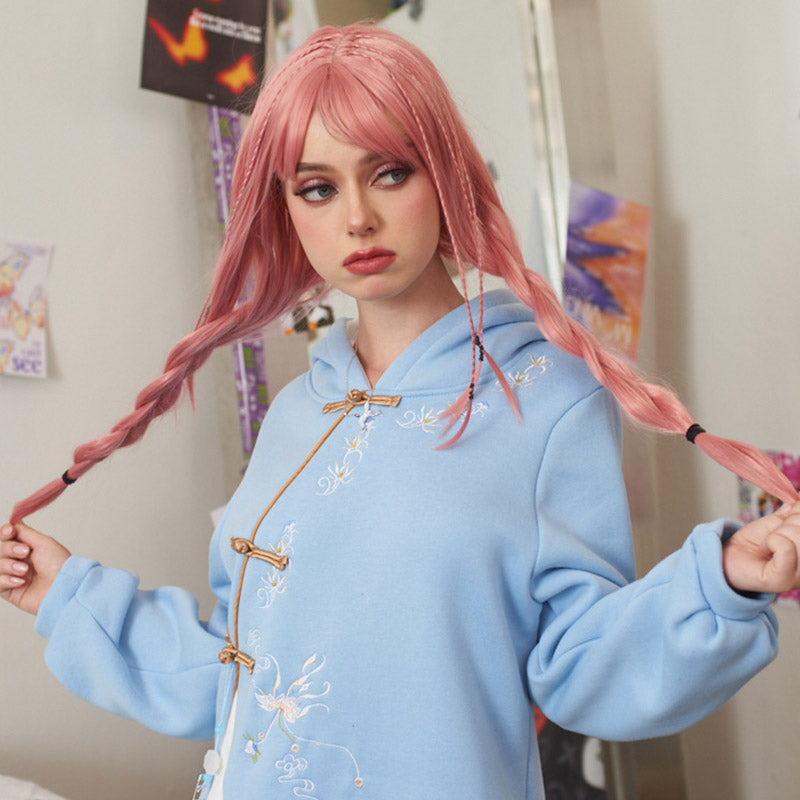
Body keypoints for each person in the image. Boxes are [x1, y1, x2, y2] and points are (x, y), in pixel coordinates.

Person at [1, 22, 799, 800]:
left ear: (443, 174)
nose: (357, 218)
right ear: (287, 210)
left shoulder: (550, 398)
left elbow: (583, 669)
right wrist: (62, 591)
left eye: (388, 173)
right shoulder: (295, 413)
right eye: (317, 187)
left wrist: (720, 584)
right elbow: (239, 671)